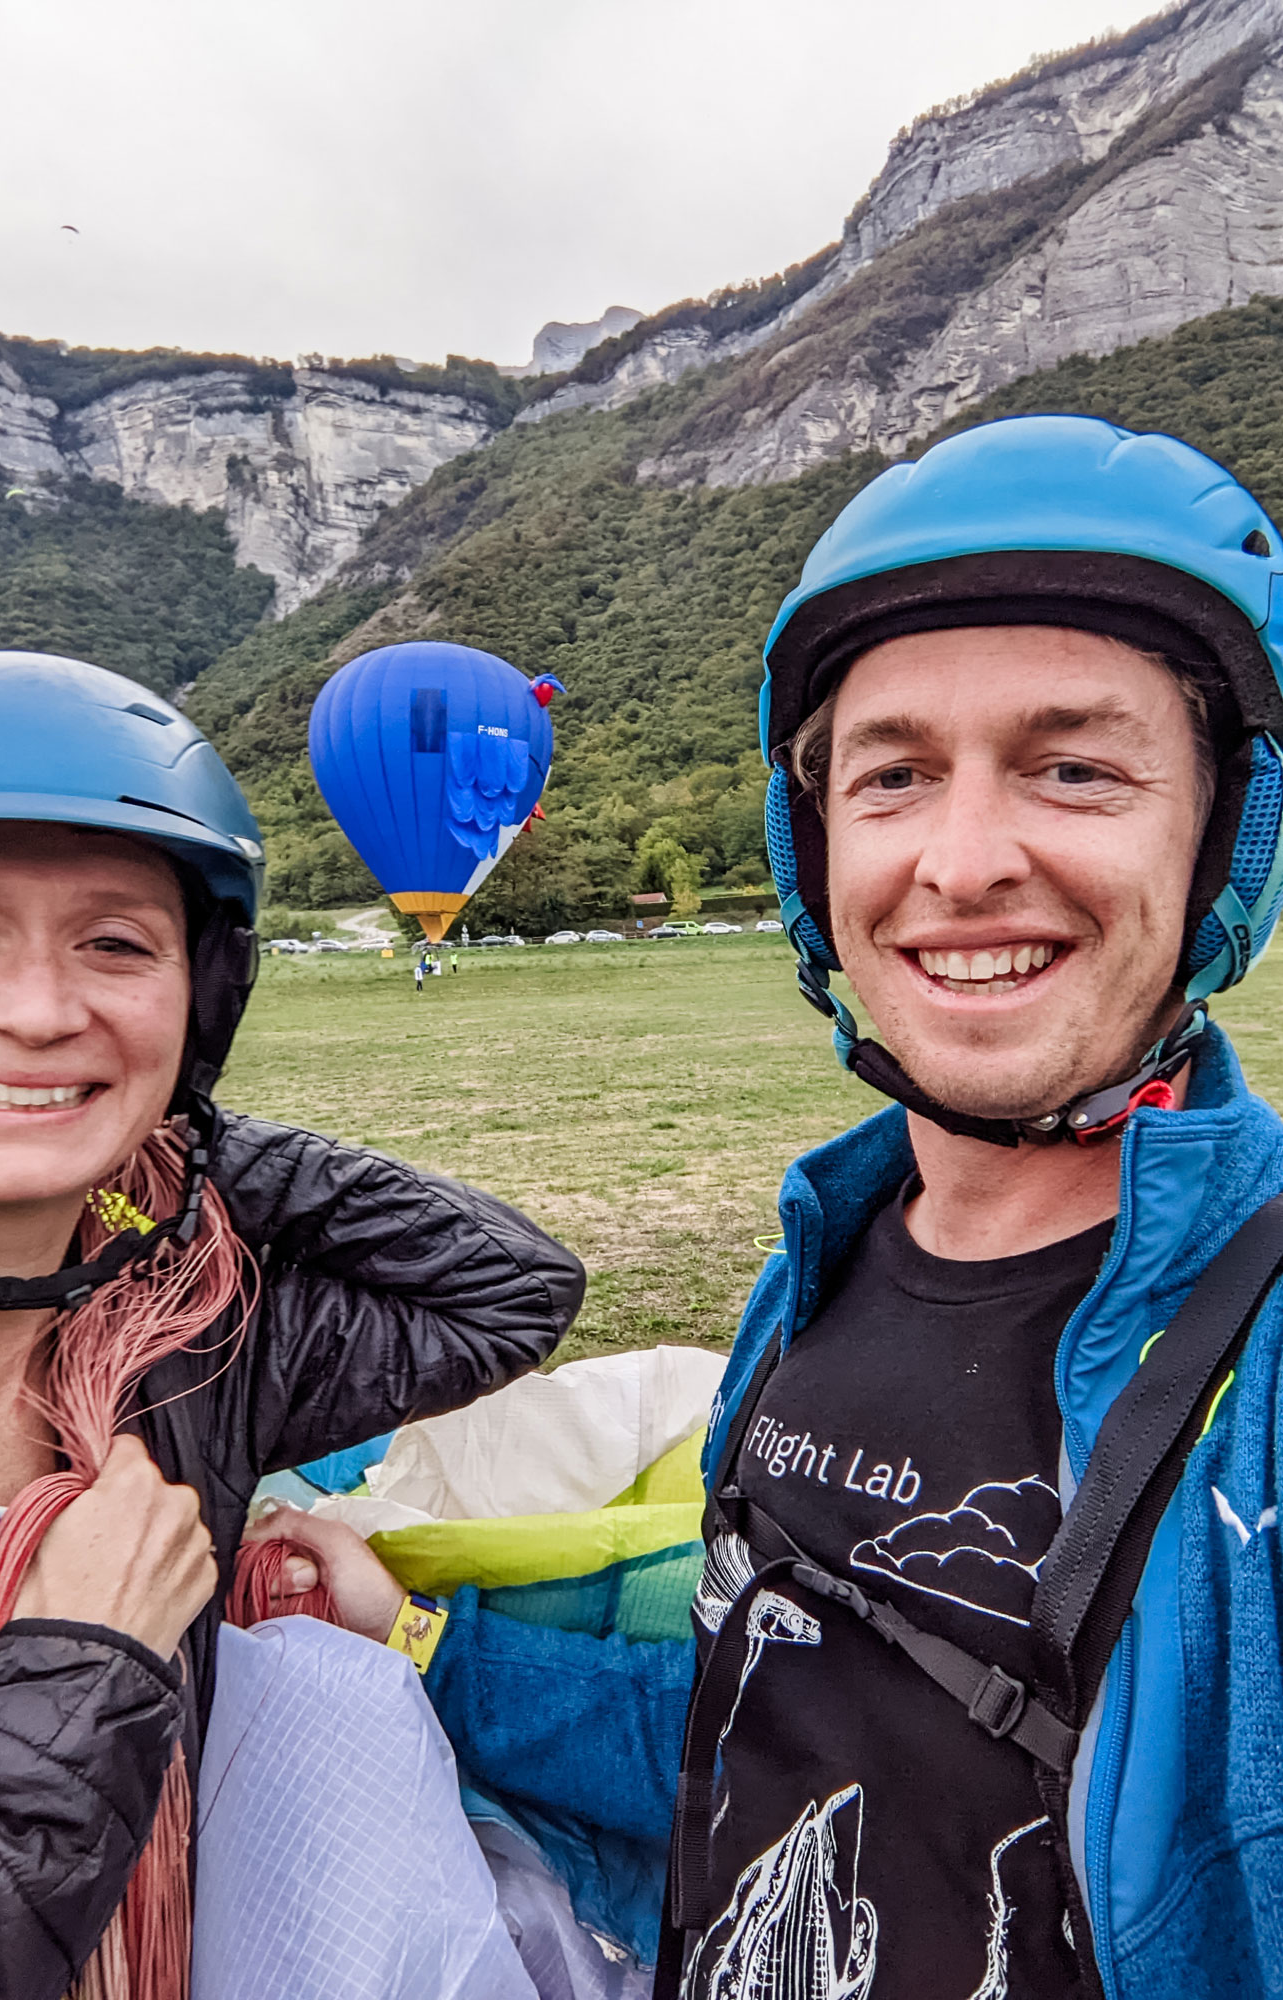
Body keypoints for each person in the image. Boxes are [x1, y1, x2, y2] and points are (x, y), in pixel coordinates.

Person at [263, 416, 1283, 2000]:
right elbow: (764, 1727)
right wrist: (418, 1645)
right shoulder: (822, 1266)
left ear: (1223, 827)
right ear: (812, 853)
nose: (960, 861)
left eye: (1074, 768)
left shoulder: (1259, 1371)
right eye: (893, 777)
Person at [0, 648, 584, 1999]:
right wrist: (78, 1677)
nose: (38, 1008)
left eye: (117, 945)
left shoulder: (185, 1345)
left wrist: (174, 1124)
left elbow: (508, 1289)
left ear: (204, 1003)